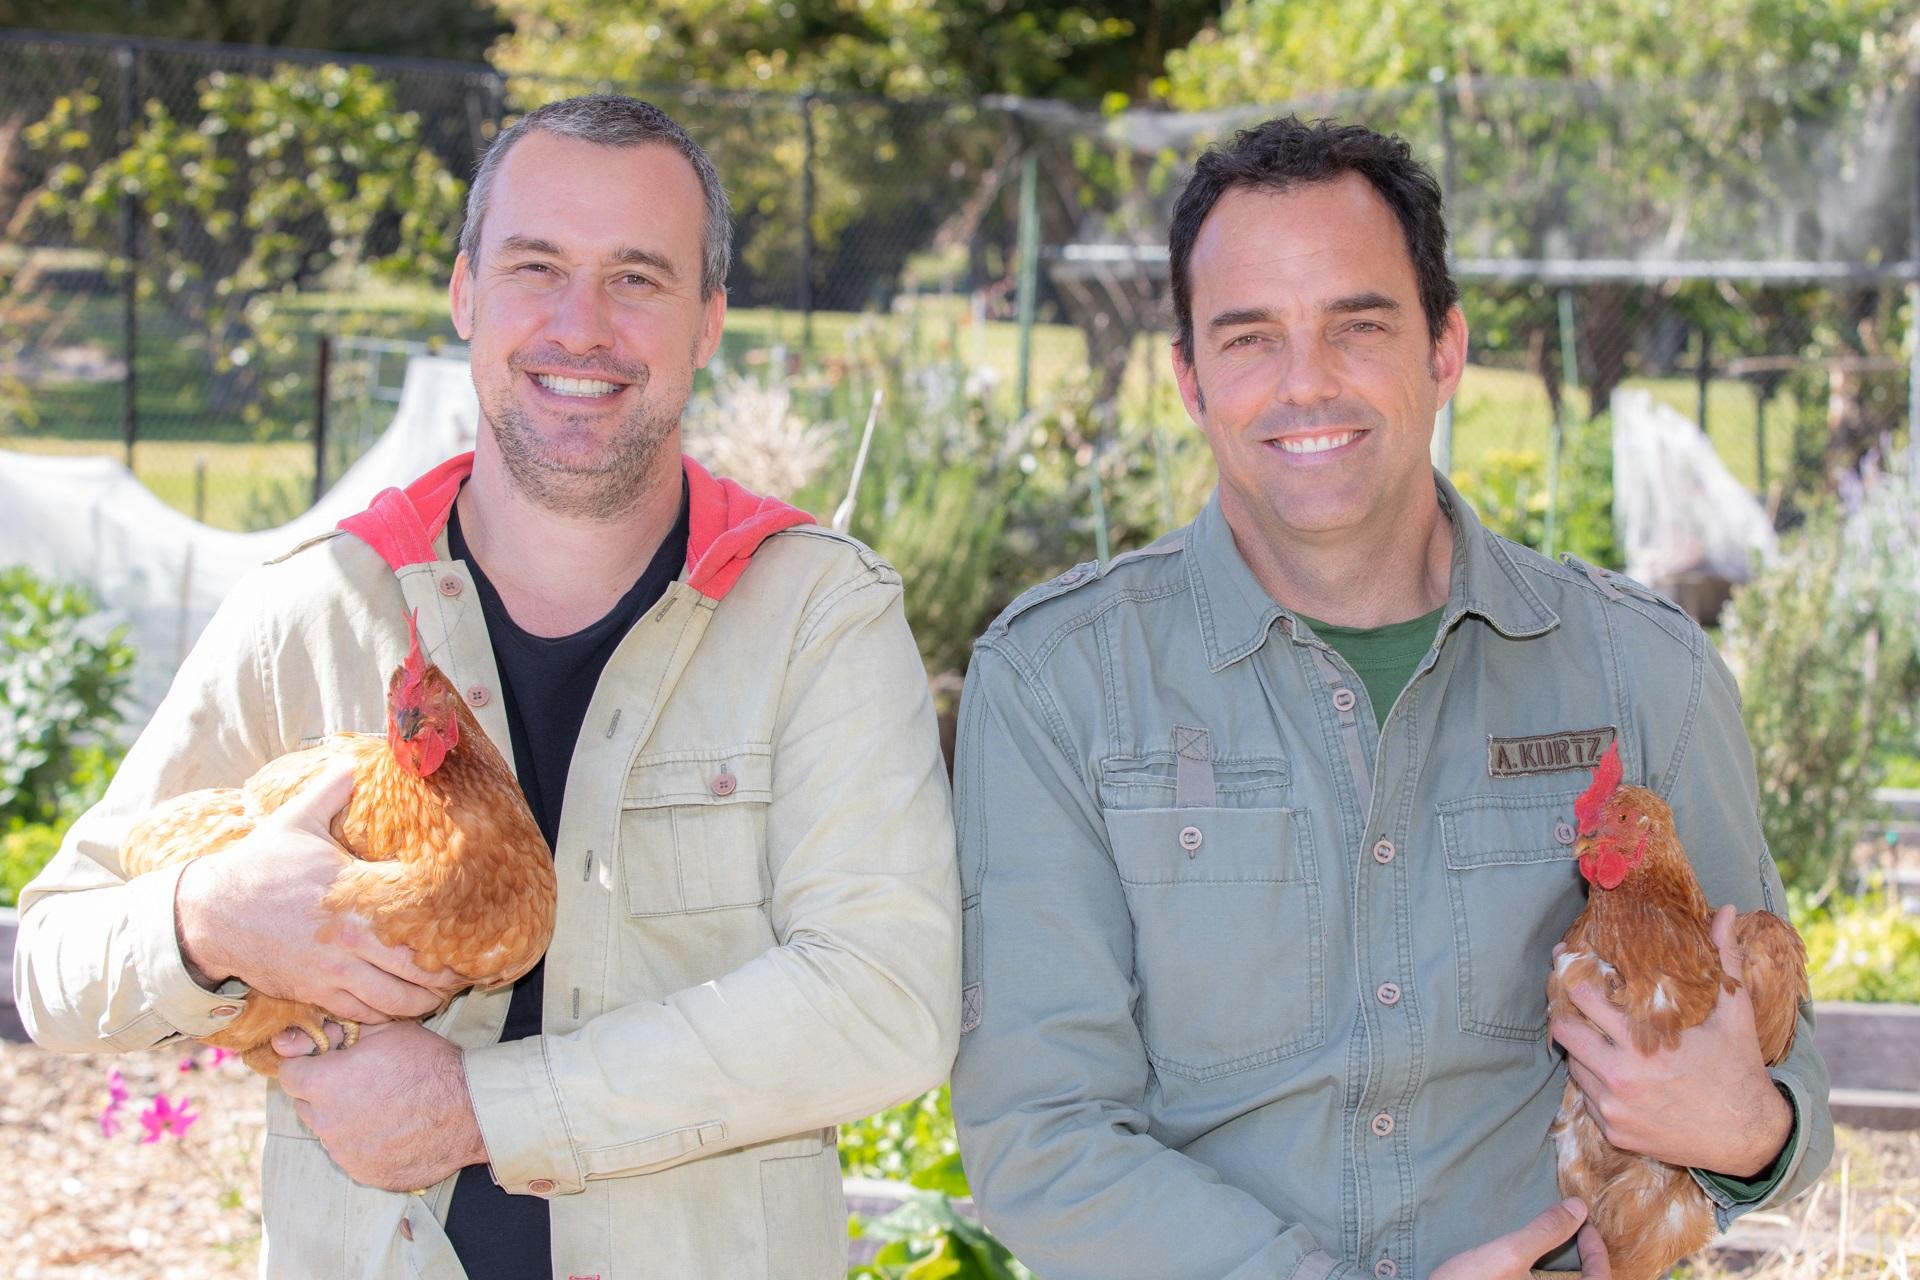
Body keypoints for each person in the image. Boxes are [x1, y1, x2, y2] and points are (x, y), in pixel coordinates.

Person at [14, 94, 960, 1279]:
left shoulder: (815, 617)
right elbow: (51, 960)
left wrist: (482, 1106)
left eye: (638, 278)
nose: (582, 324)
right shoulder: (315, 606)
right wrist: (210, 918)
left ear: (709, 319)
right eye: (537, 266)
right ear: (465, 293)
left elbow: (887, 999)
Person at [948, 115, 1831, 1280]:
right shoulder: (1059, 687)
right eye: (1250, 336)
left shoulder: (1641, 673)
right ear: (1188, 376)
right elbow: (1040, 1131)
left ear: (1445, 348)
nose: (1305, 381)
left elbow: (1784, 1070)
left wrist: (1749, 1129)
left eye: (1357, 326)